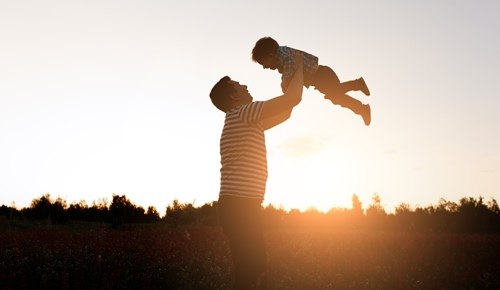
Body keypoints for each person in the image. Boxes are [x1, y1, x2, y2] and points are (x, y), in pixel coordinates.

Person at [209, 52, 304, 289]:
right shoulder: (244, 113)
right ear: (233, 95)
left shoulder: (246, 118)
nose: (245, 85)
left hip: (242, 205)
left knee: (252, 268)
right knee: (252, 269)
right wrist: (300, 65)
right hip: (239, 205)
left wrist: (290, 78)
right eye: (238, 84)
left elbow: (287, 110)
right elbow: (293, 98)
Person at [252, 36, 372, 126]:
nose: (264, 67)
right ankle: (358, 88)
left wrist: (285, 81)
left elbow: (291, 63)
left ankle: (361, 106)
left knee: (335, 96)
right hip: (320, 77)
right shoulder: (281, 55)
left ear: (270, 54)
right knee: (335, 95)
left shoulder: (283, 55)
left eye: (263, 63)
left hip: (322, 75)